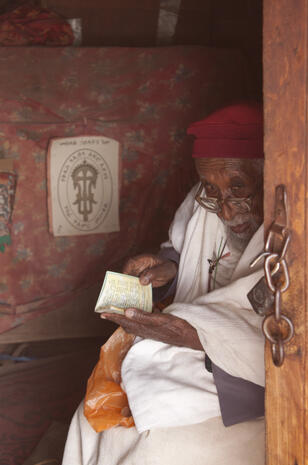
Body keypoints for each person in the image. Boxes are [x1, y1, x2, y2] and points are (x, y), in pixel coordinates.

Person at [62, 103, 266, 465]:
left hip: (243, 382)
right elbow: (183, 252)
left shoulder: (295, 219)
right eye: (212, 190)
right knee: (90, 420)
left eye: (239, 188)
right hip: (185, 356)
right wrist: (166, 269)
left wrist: (192, 335)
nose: (226, 210)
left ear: (267, 173)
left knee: (157, 451)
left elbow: (284, 336)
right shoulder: (202, 204)